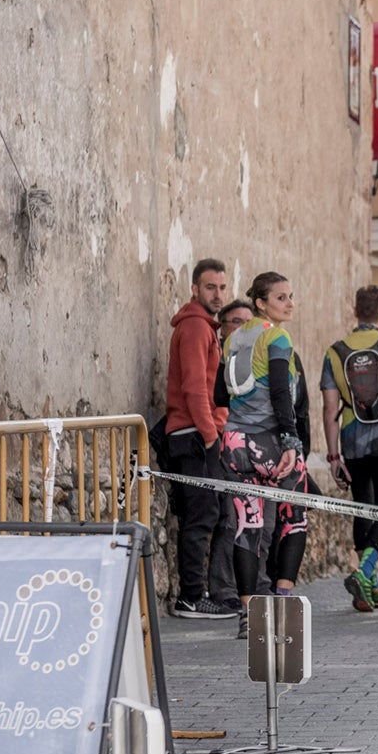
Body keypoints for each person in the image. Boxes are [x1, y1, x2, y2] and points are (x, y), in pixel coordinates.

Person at [218, 273, 313, 635]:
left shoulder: (234, 338)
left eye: (290, 296)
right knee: (293, 517)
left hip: (236, 444)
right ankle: (284, 603)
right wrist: (290, 439)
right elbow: (279, 392)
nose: (289, 303)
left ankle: (248, 615)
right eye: (280, 298)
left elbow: (218, 393)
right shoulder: (277, 336)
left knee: (247, 524)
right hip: (272, 443)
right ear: (260, 302)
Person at [322, 286, 378, 614]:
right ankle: (364, 570)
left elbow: (330, 408)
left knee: (364, 508)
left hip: (352, 442)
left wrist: (333, 456)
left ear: (354, 311)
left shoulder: (335, 352)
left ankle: (370, 587)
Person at [166, 259, 239, 618]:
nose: (218, 294)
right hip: (194, 435)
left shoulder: (205, 327)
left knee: (208, 514)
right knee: (200, 517)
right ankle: (191, 597)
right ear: (195, 289)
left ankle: (198, 593)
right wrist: (212, 438)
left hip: (199, 432)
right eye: (211, 287)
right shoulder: (195, 327)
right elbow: (195, 389)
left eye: (222, 288)